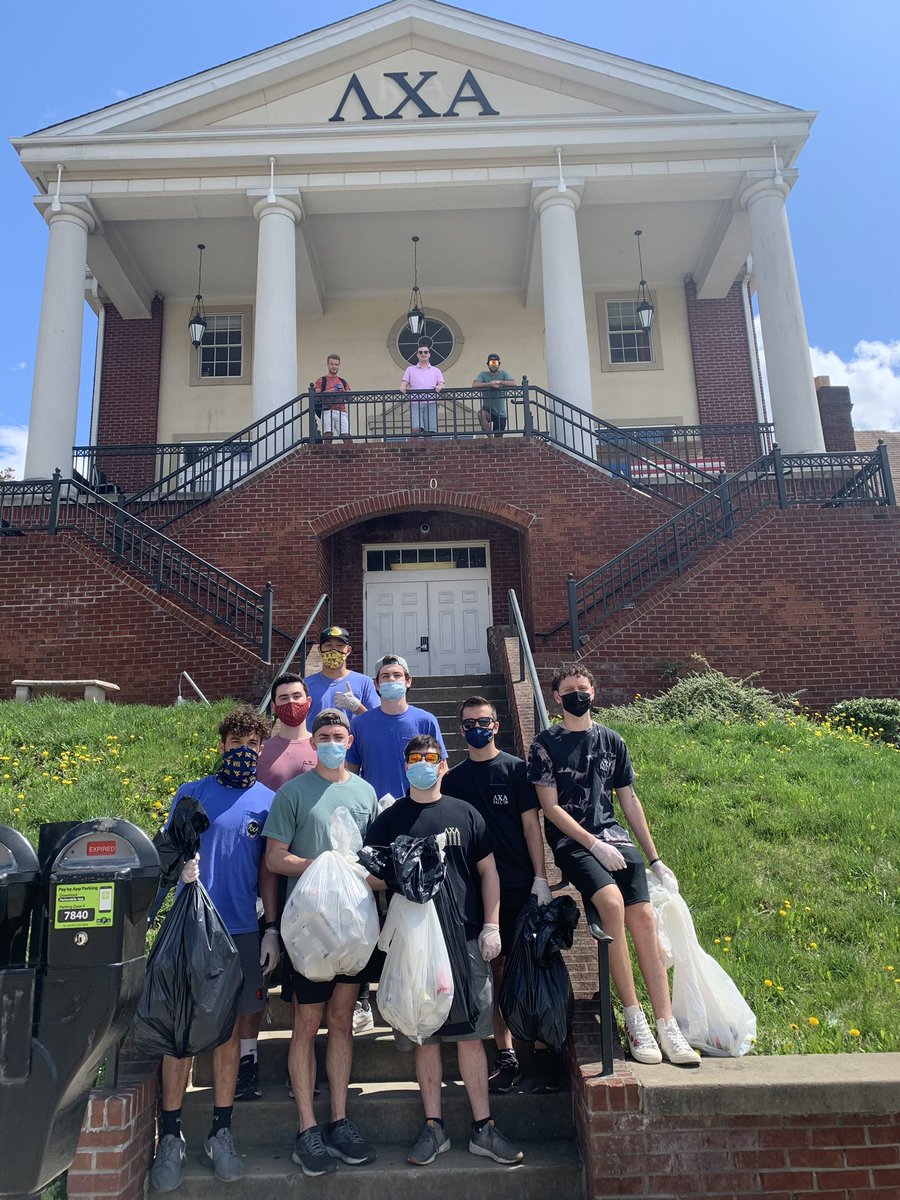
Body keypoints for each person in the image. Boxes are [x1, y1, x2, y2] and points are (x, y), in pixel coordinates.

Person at [526, 664, 701, 1068]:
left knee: (642, 916)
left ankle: (666, 1022)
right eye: (568, 690)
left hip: (616, 838)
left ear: (593, 691)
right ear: (555, 697)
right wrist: (591, 844)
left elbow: (629, 800)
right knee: (610, 903)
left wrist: (655, 859)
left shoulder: (612, 740)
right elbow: (548, 807)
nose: (577, 695)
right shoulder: (544, 745)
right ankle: (634, 1014)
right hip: (574, 842)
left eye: (582, 688)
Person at [366, 733, 525, 1167]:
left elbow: (488, 871)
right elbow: (371, 877)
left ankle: (483, 1129)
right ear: (405, 765)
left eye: (429, 757)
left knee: (472, 1038)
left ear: (442, 765)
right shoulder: (390, 819)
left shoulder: (465, 812)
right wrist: (397, 872)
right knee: (425, 1035)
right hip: (415, 944)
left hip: (465, 937)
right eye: (414, 758)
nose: (422, 763)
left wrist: (491, 925)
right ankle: (433, 1129)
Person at [149, 706, 279, 1192]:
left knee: (225, 1033)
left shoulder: (268, 801)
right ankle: (171, 1134)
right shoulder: (192, 793)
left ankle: (221, 1131)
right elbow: (168, 851)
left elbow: (268, 871)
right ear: (221, 745)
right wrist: (176, 869)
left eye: (251, 744)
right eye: (235, 742)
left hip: (243, 931)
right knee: (183, 1032)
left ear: (261, 749)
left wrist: (272, 927)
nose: (243, 751)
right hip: (192, 926)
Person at [263, 708, 383, 1177]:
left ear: (350, 741)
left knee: (342, 1021)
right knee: (307, 1023)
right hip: (308, 932)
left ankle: (339, 1120)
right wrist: (323, 866)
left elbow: (373, 862)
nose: (332, 741)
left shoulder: (365, 792)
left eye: (339, 735)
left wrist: (365, 875)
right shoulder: (292, 793)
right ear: (312, 744)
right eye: (324, 736)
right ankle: (306, 1128)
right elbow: (275, 858)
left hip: (355, 929)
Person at [442, 696, 558, 1095]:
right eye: (470, 722)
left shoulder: (515, 770)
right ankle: (505, 1055)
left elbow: (531, 828)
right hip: (471, 894)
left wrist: (540, 879)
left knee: (528, 969)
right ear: (461, 730)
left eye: (485, 721)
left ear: (496, 725)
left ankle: (543, 1054)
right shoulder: (452, 782)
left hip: (517, 885)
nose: (478, 727)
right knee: (491, 973)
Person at [229, 673, 317, 1103]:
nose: (289, 703)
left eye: (296, 696)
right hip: (263, 874)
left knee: (306, 973)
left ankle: (302, 1062)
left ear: (308, 699)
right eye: (281, 697)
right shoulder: (259, 753)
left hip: (309, 874)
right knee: (260, 976)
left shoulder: (320, 745)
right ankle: (248, 1060)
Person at [347, 653, 446, 803]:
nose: (391, 679)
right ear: (376, 684)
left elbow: (442, 768)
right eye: (385, 676)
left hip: (417, 807)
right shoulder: (360, 724)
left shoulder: (426, 721)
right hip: (374, 809)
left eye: (397, 675)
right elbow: (351, 772)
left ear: (408, 681)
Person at [305, 626, 379, 724]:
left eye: (340, 646)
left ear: (348, 650)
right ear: (319, 650)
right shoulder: (305, 684)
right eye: (328, 645)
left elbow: (377, 721)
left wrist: (357, 707)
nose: (334, 650)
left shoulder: (365, 682)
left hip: (354, 739)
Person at [400, 346, 444, 442]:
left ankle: (427, 452)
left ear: (429, 354)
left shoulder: (436, 370)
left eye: (425, 352)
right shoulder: (410, 369)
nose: (423, 354)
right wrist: (402, 387)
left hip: (431, 403)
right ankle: (413, 449)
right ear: (417, 355)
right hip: (416, 403)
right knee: (416, 429)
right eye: (420, 352)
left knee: (429, 432)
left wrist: (439, 386)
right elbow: (404, 384)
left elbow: (441, 384)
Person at [471, 353, 515, 438]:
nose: (494, 365)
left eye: (496, 363)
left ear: (499, 364)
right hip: (488, 410)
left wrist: (500, 382)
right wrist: (489, 384)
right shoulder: (483, 374)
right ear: (488, 365)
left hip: (500, 413)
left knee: (498, 439)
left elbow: (513, 383)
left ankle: (495, 443)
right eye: (491, 363)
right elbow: (474, 384)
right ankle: (491, 439)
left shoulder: (504, 374)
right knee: (481, 414)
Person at [314, 354, 351, 445]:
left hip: (341, 411)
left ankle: (349, 457)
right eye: (332, 364)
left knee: (347, 437)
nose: (334, 366)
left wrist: (344, 391)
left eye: (336, 364)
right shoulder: (321, 380)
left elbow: (350, 399)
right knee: (328, 435)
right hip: (327, 410)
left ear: (339, 366)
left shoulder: (343, 382)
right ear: (328, 365)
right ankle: (326, 457)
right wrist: (328, 391)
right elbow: (315, 396)